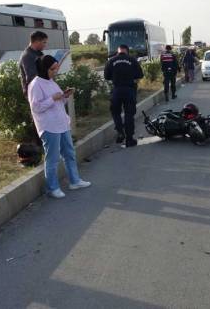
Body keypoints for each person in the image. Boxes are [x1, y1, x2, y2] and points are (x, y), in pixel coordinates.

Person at [28, 55, 91, 199]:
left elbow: (58, 103)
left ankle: (75, 181)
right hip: (49, 127)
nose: (55, 71)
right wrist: (53, 98)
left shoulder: (51, 82)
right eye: (52, 69)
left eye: (56, 68)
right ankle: (52, 188)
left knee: (69, 153)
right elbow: (36, 107)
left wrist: (64, 96)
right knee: (53, 158)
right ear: (45, 68)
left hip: (62, 124)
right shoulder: (35, 84)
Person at [105, 44, 144, 147]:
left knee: (115, 112)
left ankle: (120, 131)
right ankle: (129, 139)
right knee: (129, 114)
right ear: (127, 51)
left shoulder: (111, 61)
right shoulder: (132, 60)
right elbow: (140, 75)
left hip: (116, 90)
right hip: (129, 90)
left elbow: (106, 76)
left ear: (118, 51)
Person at [20, 31, 48, 96]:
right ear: (37, 42)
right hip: (34, 91)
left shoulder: (39, 53)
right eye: (44, 42)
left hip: (42, 87)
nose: (45, 45)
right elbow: (32, 77)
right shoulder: (27, 56)